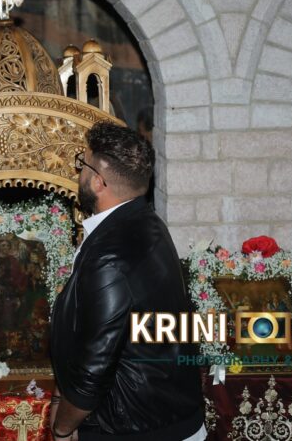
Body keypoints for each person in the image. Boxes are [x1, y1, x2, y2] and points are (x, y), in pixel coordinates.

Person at [50, 122, 205, 441]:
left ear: (98, 182)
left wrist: (63, 427)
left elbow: (96, 366)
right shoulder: (149, 223)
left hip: (134, 426)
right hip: (167, 415)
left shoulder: (110, 255)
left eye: (83, 164)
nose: (78, 172)